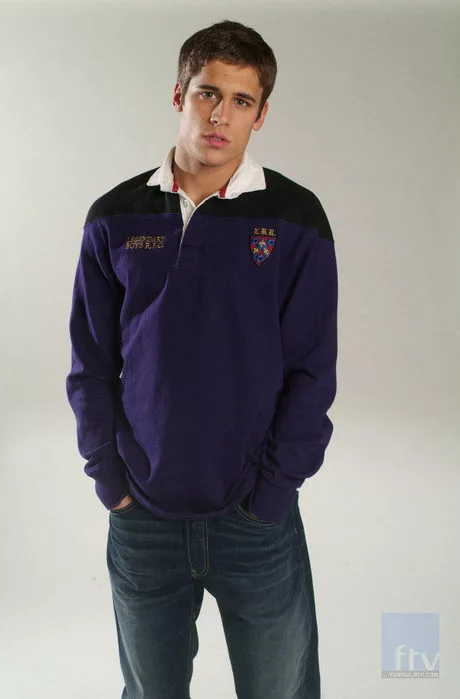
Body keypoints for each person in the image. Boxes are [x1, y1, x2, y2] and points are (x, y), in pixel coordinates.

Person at [66, 18, 338, 699]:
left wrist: (271, 494)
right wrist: (110, 481)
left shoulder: (295, 218)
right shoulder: (114, 216)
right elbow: (90, 365)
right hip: (143, 517)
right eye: (208, 93)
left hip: (253, 518)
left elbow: (312, 372)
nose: (221, 116)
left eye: (242, 101)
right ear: (179, 95)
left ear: (261, 115)